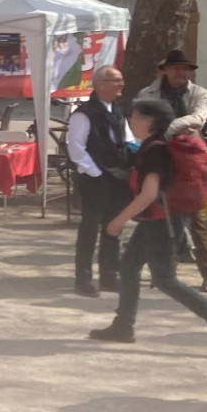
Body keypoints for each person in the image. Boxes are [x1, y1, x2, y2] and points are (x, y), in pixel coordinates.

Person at [88, 100, 207, 356]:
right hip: (157, 220)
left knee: (165, 280)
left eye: (135, 116)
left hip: (161, 222)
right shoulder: (153, 146)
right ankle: (123, 326)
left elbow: (149, 193)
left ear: (149, 121)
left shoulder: (155, 151)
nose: (130, 120)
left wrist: (118, 220)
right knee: (129, 266)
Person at [136, 50, 207, 292]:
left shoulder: (199, 93)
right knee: (159, 218)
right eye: (176, 68)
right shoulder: (147, 94)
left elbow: (199, 118)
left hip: (189, 163)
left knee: (196, 220)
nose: (181, 73)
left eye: (186, 69)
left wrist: (169, 127)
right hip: (159, 161)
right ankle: (163, 272)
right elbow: (143, 124)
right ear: (165, 70)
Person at [69, 66, 132, 296]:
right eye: (116, 81)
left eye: (121, 80)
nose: (121, 85)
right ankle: (83, 279)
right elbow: (76, 149)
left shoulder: (118, 109)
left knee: (113, 228)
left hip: (118, 177)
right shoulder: (84, 113)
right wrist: (97, 173)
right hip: (94, 178)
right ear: (100, 84)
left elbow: (128, 140)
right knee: (90, 229)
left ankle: (109, 275)